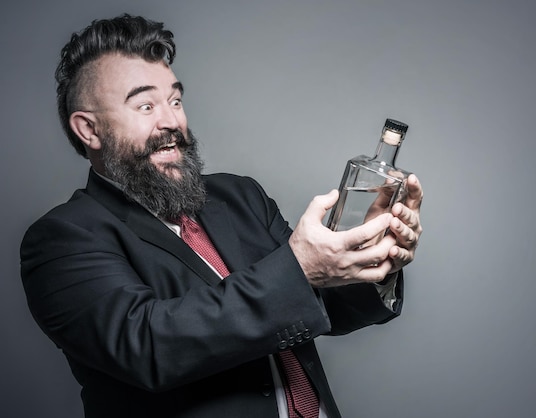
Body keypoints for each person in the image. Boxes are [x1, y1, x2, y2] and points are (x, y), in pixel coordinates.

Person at [20, 14, 423, 418]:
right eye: (145, 105)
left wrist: (370, 256)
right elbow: (150, 347)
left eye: (175, 100)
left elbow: (320, 304)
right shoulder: (61, 240)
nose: (172, 121)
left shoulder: (239, 195)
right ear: (89, 130)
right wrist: (300, 267)